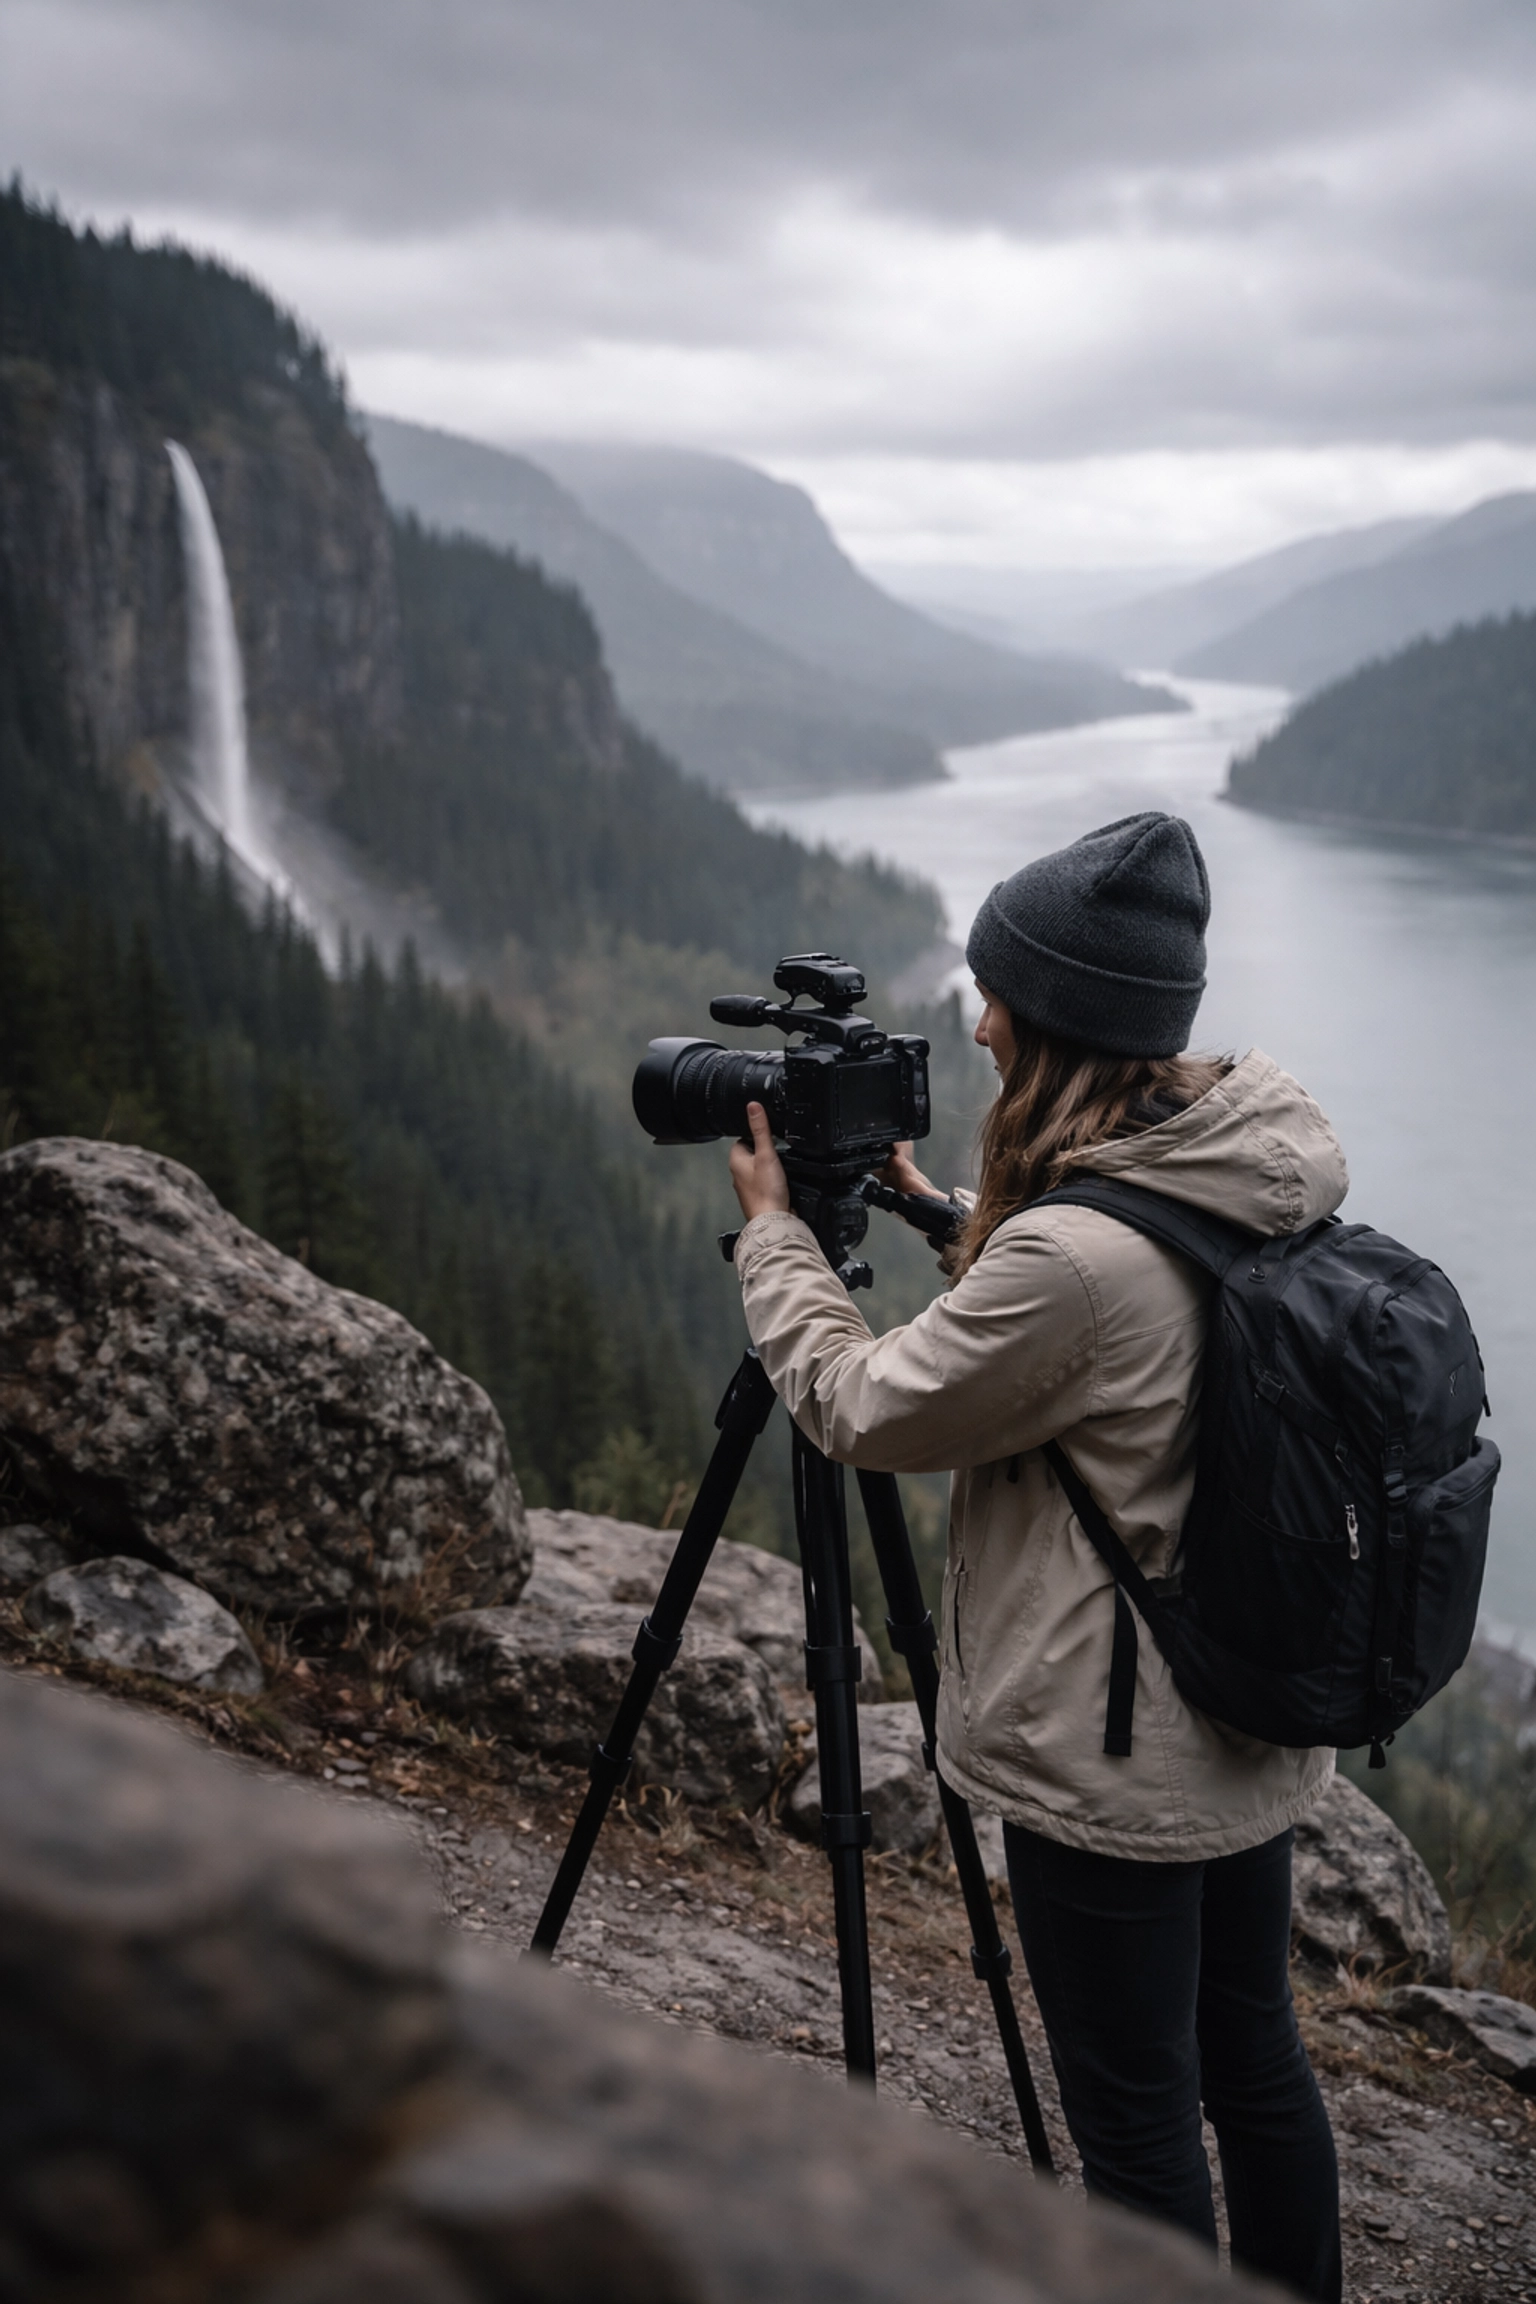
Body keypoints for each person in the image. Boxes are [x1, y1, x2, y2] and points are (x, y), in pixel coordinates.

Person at [727, 811, 1343, 2303]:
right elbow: (1127, 1314)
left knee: (1136, 2131)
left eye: (1003, 993)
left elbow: (863, 1407)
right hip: (1244, 1716)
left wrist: (773, 1243)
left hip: (1112, 1763)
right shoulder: (1238, 1160)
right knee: (1254, 2063)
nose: (982, 1017)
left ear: (1062, 1020)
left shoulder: (1067, 1258)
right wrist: (946, 1214)